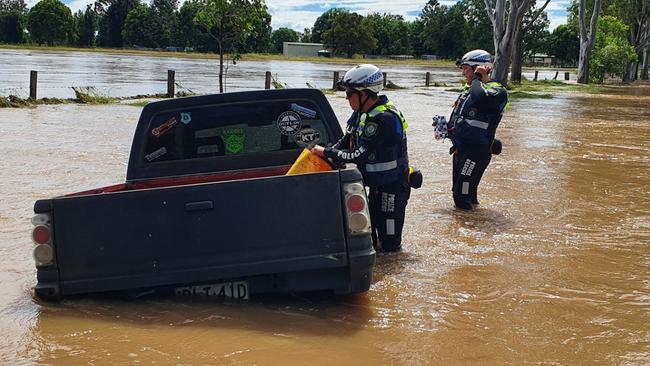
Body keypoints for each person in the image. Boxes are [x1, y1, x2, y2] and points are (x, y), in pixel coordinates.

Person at [311, 64, 410, 252]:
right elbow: (346, 140)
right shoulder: (361, 114)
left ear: (365, 93)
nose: (347, 98)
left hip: (392, 186)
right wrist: (327, 151)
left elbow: (359, 154)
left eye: (349, 93)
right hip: (375, 186)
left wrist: (327, 153)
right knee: (369, 238)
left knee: (390, 246)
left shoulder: (384, 118)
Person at [447, 49, 508, 210]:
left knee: (461, 196)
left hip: (476, 151)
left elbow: (480, 98)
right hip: (462, 149)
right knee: (463, 194)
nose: (463, 73)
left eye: (466, 68)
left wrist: (478, 78)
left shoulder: (497, 91)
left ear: (478, 68)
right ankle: (472, 224)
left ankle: (468, 231)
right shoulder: (471, 89)